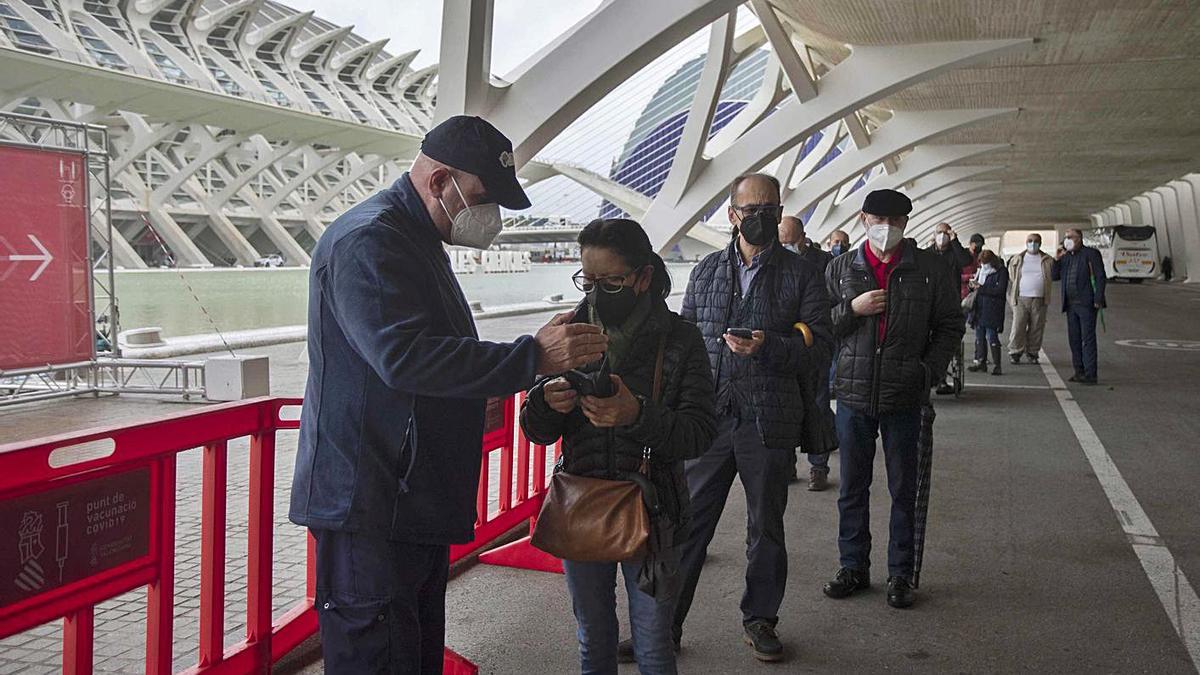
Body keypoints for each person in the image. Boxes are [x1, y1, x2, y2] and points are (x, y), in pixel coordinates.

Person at [289, 116, 610, 674]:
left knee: (409, 654)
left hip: (410, 496)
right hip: (372, 502)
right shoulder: (370, 240)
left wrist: (496, 376)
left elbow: (430, 353)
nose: (490, 217)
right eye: (483, 197)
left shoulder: (414, 237)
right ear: (440, 181)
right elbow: (402, 356)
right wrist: (531, 357)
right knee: (379, 655)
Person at [521, 219, 717, 675]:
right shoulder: (567, 334)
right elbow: (536, 429)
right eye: (587, 281)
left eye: (610, 282)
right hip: (581, 504)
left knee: (652, 644)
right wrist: (545, 402)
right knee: (593, 639)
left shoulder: (680, 338)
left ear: (643, 277)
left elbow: (700, 431)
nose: (594, 294)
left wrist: (637, 414)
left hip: (654, 510)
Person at [670, 173, 832, 663]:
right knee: (687, 524)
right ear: (732, 213)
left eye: (771, 208)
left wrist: (770, 347)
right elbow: (685, 341)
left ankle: (760, 619)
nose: (761, 216)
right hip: (711, 419)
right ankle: (664, 626)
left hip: (769, 420)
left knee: (766, 527)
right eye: (752, 208)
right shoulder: (704, 272)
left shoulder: (801, 273)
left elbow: (821, 344)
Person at [822, 189, 963, 610]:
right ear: (864, 219)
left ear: (905, 223)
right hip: (853, 394)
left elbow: (950, 325)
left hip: (905, 395)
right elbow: (819, 324)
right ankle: (853, 566)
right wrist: (852, 308)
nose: (887, 228)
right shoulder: (841, 269)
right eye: (879, 219)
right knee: (852, 487)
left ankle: (900, 574)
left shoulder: (930, 270)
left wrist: (928, 371)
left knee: (904, 489)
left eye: (896, 220)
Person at [778, 215, 835, 491]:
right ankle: (787, 463)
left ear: (803, 238)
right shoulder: (773, 261)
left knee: (819, 404)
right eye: (781, 241)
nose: (785, 245)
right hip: (782, 347)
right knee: (784, 407)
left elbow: (832, 303)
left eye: (790, 241)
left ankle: (818, 467)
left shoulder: (824, 263)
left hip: (813, 346)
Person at [1052, 228, 1107, 384]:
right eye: (1066, 237)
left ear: (1079, 239)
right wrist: (1056, 259)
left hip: (1086, 303)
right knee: (1074, 339)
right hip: (1070, 304)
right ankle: (1079, 371)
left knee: (1087, 338)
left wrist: (1098, 298)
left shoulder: (1091, 254)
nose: (1067, 240)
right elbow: (1054, 276)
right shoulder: (1066, 257)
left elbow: (1100, 276)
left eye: (1070, 237)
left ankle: (1091, 374)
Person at [925, 222, 974, 395]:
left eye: (945, 233)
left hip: (950, 301)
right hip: (929, 301)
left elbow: (966, 261)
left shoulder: (955, 253)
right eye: (939, 232)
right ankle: (932, 377)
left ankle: (941, 379)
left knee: (946, 340)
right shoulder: (928, 254)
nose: (942, 236)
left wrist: (955, 241)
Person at [1006, 233, 1053, 364]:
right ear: (1026, 242)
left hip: (1040, 299)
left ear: (1040, 243)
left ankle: (1033, 352)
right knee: (1018, 325)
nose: (1033, 243)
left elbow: (1052, 274)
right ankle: (1015, 351)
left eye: (1036, 241)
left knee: (1037, 327)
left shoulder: (1047, 260)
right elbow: (1012, 276)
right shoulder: (1017, 259)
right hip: (1021, 298)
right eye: (1030, 241)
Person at [966, 250, 1009, 375]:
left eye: (986, 262)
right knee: (979, 336)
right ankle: (981, 361)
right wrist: (972, 285)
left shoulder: (1001, 272)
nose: (984, 265)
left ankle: (997, 365)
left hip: (992, 308)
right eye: (982, 262)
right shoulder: (981, 271)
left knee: (991, 336)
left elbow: (1000, 290)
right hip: (979, 307)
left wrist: (981, 288)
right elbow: (975, 287)